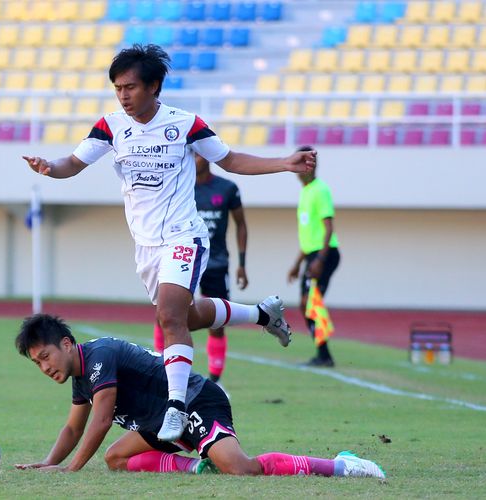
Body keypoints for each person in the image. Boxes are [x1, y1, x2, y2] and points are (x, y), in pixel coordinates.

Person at [23, 44, 316, 442]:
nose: (123, 95)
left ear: (154, 86)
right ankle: (263, 315)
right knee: (188, 315)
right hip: (146, 247)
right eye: (117, 88)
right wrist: (49, 167)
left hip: (184, 236)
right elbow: (72, 164)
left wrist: (284, 162)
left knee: (169, 317)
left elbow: (230, 160)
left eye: (130, 87)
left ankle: (175, 406)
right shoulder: (110, 127)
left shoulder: (187, 124)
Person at [13, 314, 385, 480]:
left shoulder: (100, 356)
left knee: (241, 469)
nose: (44, 367)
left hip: (194, 400)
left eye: (45, 357)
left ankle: (340, 465)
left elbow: (101, 418)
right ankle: (197, 466)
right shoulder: (80, 373)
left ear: (66, 344)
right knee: (116, 458)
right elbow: (73, 428)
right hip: (162, 421)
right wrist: (47, 462)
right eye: (36, 364)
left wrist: (71, 469)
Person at [153, 153, 249, 389]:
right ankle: (159, 370)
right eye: (192, 154)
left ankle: (216, 380)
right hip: (183, 258)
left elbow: (241, 225)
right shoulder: (179, 187)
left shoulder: (227, 189)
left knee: (216, 322)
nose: (196, 158)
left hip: (215, 263)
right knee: (166, 314)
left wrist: (242, 264)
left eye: (200, 153)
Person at [287, 146, 341, 367]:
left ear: (310, 167)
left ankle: (324, 354)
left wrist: (319, 260)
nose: (297, 171)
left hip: (325, 255)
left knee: (311, 302)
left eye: (301, 166)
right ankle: (322, 352)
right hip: (312, 256)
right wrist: (297, 264)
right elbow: (309, 236)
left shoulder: (320, 190)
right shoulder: (305, 192)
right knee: (305, 303)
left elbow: (328, 228)